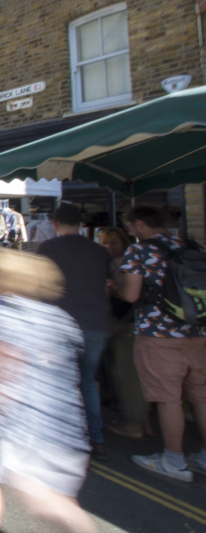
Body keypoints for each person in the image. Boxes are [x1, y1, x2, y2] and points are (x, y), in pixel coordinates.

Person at [0, 248, 96, 533]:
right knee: (55, 498)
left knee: (1, 482)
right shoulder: (59, 319)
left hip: (8, 423)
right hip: (60, 422)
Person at [118, 205, 206, 482]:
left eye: (129, 227)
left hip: (158, 335)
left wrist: (115, 287)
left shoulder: (139, 251)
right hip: (198, 332)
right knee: (201, 397)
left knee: (168, 399)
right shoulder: (193, 246)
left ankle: (173, 460)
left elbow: (131, 295)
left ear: (141, 224)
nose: (128, 231)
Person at [36, 203, 112, 461]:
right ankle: (95, 439)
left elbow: (39, 287)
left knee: (61, 381)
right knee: (87, 380)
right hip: (96, 321)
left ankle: (66, 440)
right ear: (81, 224)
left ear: (54, 224)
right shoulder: (100, 251)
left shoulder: (48, 248)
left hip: (62, 321)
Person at [99, 227, 151, 441]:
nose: (110, 248)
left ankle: (135, 423)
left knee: (126, 373)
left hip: (125, 325)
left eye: (114, 243)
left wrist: (111, 288)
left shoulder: (124, 265)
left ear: (125, 244)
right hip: (127, 325)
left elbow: (129, 297)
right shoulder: (118, 263)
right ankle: (143, 421)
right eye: (105, 243)